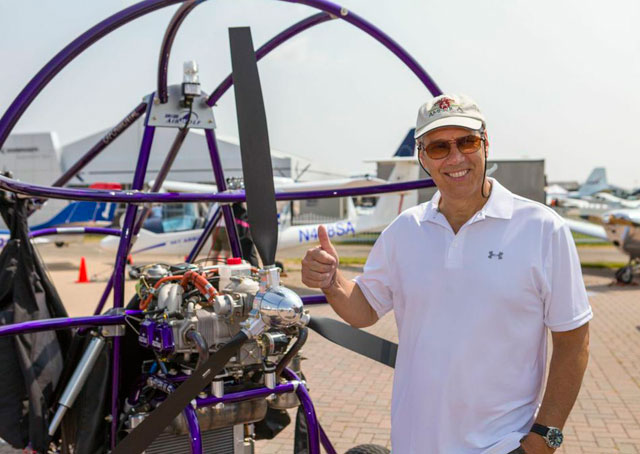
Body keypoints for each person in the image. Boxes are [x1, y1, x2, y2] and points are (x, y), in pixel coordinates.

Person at [301, 94, 591, 454]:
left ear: (486, 143)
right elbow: (363, 310)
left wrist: (545, 438)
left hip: (501, 446)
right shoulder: (405, 229)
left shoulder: (543, 229)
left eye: (467, 142)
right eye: (439, 147)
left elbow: (574, 340)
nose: (456, 158)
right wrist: (332, 281)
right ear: (423, 157)